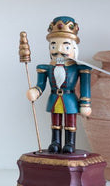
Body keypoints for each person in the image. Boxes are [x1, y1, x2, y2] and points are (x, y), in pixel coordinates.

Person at [26, 15, 92, 155]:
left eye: (65, 45)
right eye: (54, 45)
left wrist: (85, 104)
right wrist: (35, 91)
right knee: (55, 124)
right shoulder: (46, 67)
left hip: (70, 99)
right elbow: (41, 85)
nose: (58, 50)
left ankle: (70, 143)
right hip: (54, 98)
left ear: (74, 47)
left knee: (70, 124)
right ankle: (55, 142)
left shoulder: (79, 69)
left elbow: (85, 87)